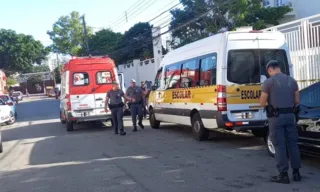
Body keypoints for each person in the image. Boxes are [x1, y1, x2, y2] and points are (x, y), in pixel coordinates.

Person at [260, 60, 301, 184]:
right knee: (293, 144)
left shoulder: (268, 82)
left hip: (276, 118)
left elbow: (262, 103)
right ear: (279, 68)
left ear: (270, 70)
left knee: (279, 145)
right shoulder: (293, 81)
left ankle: (283, 174)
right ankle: (296, 173)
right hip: (290, 116)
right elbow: (297, 101)